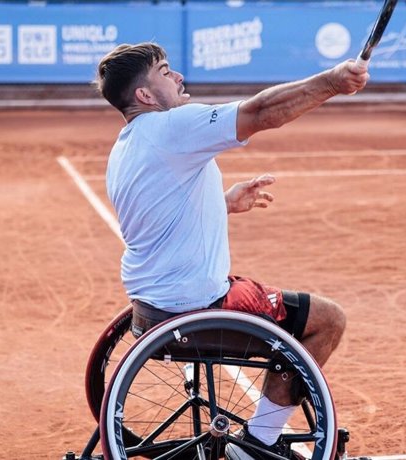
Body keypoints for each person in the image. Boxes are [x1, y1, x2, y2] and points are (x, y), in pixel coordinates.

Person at [96, 42, 368, 460]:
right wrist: (332, 82)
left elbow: (157, 213)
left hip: (150, 307)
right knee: (327, 320)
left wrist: (222, 203)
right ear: (145, 96)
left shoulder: (125, 146)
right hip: (197, 306)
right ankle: (257, 444)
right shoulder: (172, 127)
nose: (179, 77)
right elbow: (260, 112)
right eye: (166, 72)